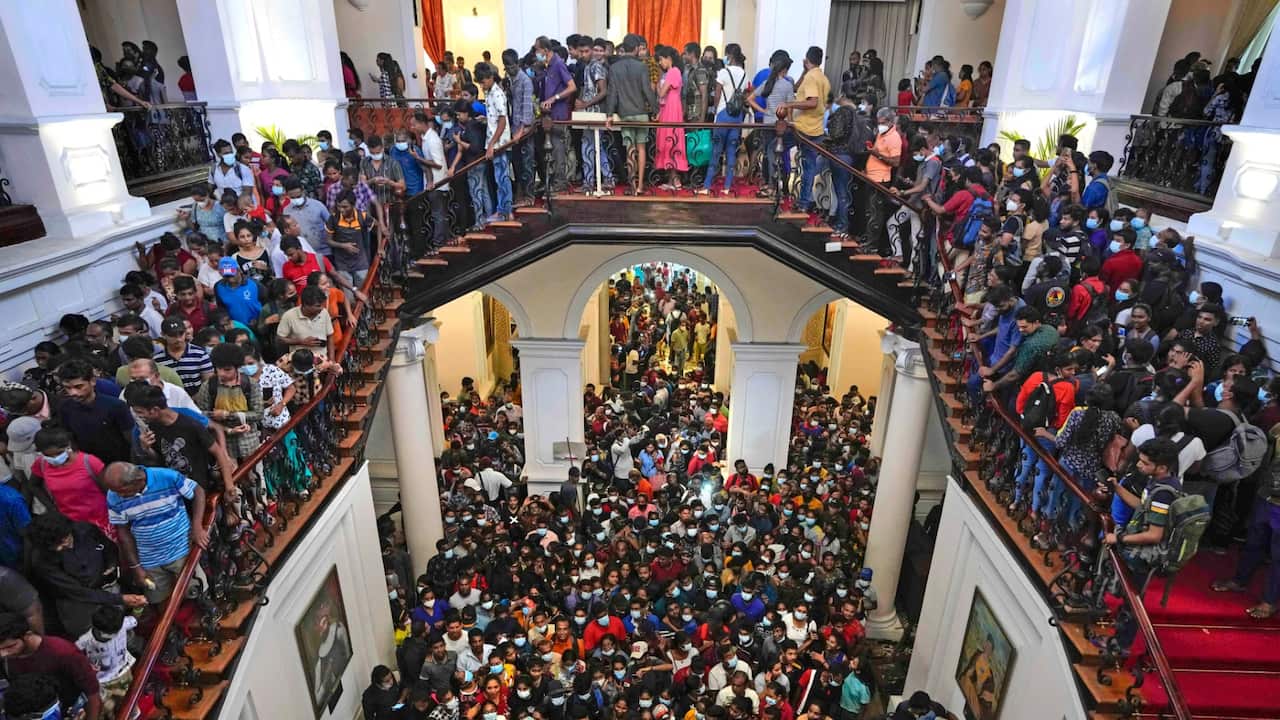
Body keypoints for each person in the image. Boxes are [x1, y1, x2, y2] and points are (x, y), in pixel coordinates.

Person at [104, 461, 208, 605]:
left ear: (137, 481)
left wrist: (197, 527)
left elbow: (198, 491)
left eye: (121, 490)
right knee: (158, 600)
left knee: (195, 592)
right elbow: (123, 533)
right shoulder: (113, 495)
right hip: (149, 559)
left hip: (181, 549)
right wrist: (136, 567)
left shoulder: (166, 476)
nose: (118, 495)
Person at [0, 612, 103, 720]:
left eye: (10, 646)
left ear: (27, 636)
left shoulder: (64, 653)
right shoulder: (9, 658)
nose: (3, 654)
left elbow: (93, 694)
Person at [778, 47, 830, 214]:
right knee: (808, 167)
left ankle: (775, 190)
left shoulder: (811, 78)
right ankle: (803, 203)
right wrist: (804, 69)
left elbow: (812, 102)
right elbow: (796, 88)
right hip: (816, 129)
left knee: (774, 149)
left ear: (807, 59)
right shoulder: (822, 78)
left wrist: (789, 104)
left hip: (803, 128)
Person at [56, 359, 135, 465]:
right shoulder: (65, 408)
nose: (73, 393)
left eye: (78, 386)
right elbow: (70, 437)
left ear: (92, 381)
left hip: (120, 464)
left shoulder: (115, 406)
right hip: (89, 466)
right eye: (67, 388)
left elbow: (131, 439)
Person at [606, 37, 659, 196]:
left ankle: (632, 185)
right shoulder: (641, 67)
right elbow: (647, 90)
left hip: (625, 113)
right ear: (636, 48)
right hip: (641, 113)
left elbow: (612, 93)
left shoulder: (614, 68)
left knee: (630, 148)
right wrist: (655, 110)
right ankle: (641, 185)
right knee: (641, 148)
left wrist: (609, 114)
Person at [698, 47, 747, 196]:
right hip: (737, 116)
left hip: (722, 115)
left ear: (729, 56)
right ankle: (727, 187)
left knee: (716, 151)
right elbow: (743, 94)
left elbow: (717, 94)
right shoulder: (744, 74)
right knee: (731, 151)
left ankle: (706, 186)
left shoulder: (723, 72)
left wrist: (716, 112)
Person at [653, 46, 688, 192]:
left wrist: (656, 85)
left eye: (661, 59)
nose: (660, 63)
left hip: (671, 109)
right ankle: (671, 179)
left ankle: (675, 179)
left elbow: (661, 93)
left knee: (670, 141)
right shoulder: (673, 72)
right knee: (669, 141)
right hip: (669, 108)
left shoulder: (673, 72)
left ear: (668, 58)